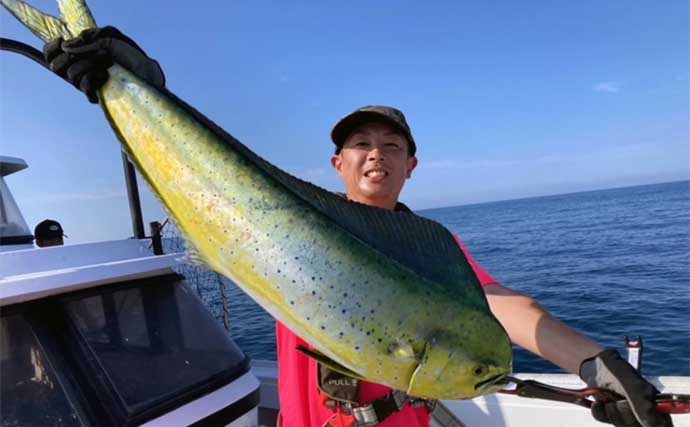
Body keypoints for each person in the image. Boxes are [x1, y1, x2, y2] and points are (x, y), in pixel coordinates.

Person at [41, 28, 673, 427]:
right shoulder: (276, 224)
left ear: (412, 164)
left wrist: (595, 364)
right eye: (361, 144)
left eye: (392, 144)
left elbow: (508, 310)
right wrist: (132, 89)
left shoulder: (433, 252)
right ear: (337, 163)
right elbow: (209, 176)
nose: (376, 154)